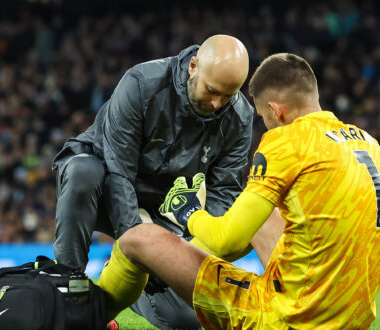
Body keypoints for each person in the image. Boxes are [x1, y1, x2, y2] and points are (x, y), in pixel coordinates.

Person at [97, 53, 380, 329]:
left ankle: (88, 317)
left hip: (284, 319)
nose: (266, 125)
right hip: (353, 319)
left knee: (138, 238)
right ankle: (166, 276)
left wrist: (189, 212)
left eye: (262, 117)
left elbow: (227, 240)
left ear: (275, 111)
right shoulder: (367, 143)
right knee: (266, 213)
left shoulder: (286, 141)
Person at [52, 35, 254, 329]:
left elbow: (224, 196)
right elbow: (117, 171)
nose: (217, 103)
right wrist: (144, 244)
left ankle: (130, 284)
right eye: (212, 91)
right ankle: (70, 290)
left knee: (186, 320)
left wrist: (182, 256)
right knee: (84, 171)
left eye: (229, 95)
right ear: (193, 66)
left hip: (163, 210)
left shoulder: (239, 117)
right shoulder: (142, 84)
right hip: (104, 187)